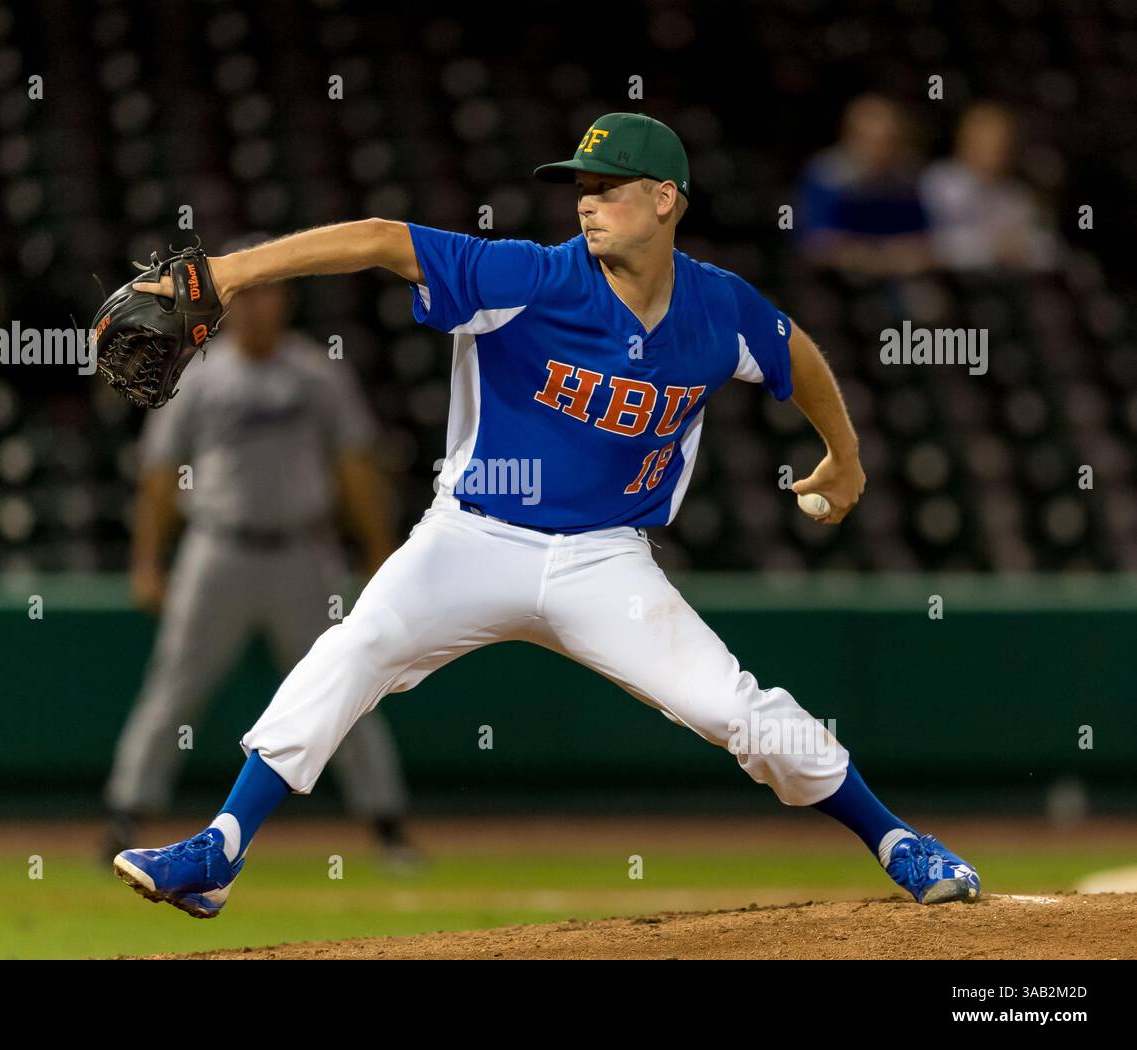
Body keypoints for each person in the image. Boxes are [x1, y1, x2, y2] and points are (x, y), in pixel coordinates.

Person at [110, 113, 980, 919]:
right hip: (472, 537)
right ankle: (220, 850)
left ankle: (899, 841)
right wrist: (223, 274)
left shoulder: (720, 307)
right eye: (582, 186)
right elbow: (379, 240)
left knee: (735, 711)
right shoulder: (529, 275)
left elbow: (792, 351)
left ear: (666, 198)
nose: (588, 201)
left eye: (609, 185)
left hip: (606, 561)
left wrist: (847, 454)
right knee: (353, 648)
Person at [102, 256, 420, 869]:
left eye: (267, 294)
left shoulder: (316, 373)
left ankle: (387, 825)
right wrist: (147, 560)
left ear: (284, 302)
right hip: (216, 548)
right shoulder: (199, 375)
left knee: (345, 682)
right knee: (174, 688)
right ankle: (124, 815)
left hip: (304, 551)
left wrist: (380, 551)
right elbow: (161, 472)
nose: (256, 306)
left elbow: (356, 466)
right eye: (246, 296)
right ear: (228, 304)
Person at [795, 94, 933, 276]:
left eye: (889, 142)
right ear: (850, 137)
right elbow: (813, 241)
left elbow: (924, 236)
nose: (881, 152)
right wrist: (862, 255)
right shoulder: (826, 175)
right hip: (836, 277)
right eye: (871, 142)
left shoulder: (909, 176)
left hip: (900, 273)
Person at [919, 102, 1057, 272]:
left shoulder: (1018, 193)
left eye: (1003, 145)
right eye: (987, 143)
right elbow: (933, 245)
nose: (997, 152)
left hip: (1012, 283)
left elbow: (1047, 248)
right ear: (965, 141)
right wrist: (993, 248)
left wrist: (1019, 247)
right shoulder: (940, 182)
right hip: (951, 282)